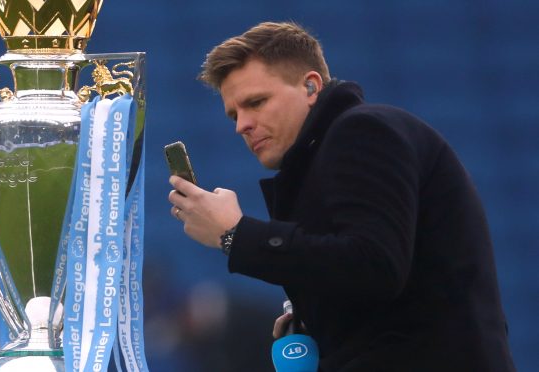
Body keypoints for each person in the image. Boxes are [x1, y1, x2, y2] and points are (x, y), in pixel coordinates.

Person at [167, 21, 515, 371]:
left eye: (255, 102)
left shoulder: (362, 130)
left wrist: (236, 234)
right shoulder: (321, 157)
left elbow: (374, 265)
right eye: (234, 114)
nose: (241, 124)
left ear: (310, 86)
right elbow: (377, 278)